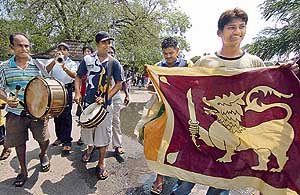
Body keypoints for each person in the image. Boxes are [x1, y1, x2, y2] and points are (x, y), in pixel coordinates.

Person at [171, 7, 299, 195]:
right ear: (219, 32)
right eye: (231, 27)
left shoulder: (254, 63)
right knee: (187, 179)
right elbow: (185, 90)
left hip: (237, 137)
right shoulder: (206, 62)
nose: (237, 32)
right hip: (208, 132)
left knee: (221, 186)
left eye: (241, 27)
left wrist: (286, 75)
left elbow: (271, 90)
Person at [0, 33, 50, 187]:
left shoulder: (38, 65)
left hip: (38, 111)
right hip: (15, 113)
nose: (24, 48)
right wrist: (7, 99)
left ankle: (43, 154)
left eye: (27, 45)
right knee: (19, 143)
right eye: (20, 45)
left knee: (43, 138)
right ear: (12, 47)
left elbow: (48, 84)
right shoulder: (4, 67)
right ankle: (23, 171)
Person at [74, 31, 123, 180]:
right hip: (88, 103)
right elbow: (78, 77)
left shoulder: (114, 62)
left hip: (105, 107)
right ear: (97, 44)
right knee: (88, 133)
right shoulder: (87, 59)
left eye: (109, 43)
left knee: (103, 135)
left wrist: (106, 97)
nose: (108, 45)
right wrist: (77, 93)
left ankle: (101, 163)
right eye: (104, 42)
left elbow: (119, 83)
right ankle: (89, 149)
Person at [148, 37, 193, 195]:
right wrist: (153, 86)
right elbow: (150, 87)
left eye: (171, 53)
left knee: (183, 146)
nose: (168, 57)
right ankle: (159, 178)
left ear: (178, 51)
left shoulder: (187, 66)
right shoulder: (158, 67)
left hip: (183, 113)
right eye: (165, 54)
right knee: (162, 145)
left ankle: (181, 177)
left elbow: (195, 86)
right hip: (163, 113)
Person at [46, 42, 77, 153]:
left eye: (64, 49)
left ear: (68, 52)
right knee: (56, 114)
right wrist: (55, 61)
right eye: (60, 49)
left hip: (67, 89)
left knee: (66, 116)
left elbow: (74, 75)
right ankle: (59, 137)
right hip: (55, 89)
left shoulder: (72, 63)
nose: (62, 51)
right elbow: (47, 70)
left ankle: (67, 141)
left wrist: (64, 67)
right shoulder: (52, 60)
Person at [108, 46, 130, 155]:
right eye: (108, 52)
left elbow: (123, 82)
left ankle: (117, 145)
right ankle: (96, 146)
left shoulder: (118, 67)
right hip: (101, 99)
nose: (110, 54)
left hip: (115, 99)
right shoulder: (98, 65)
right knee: (100, 123)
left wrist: (127, 94)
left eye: (112, 52)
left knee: (115, 121)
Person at [76, 46, 93, 146]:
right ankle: (82, 137)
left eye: (88, 51)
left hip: (91, 95)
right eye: (85, 51)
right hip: (82, 95)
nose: (86, 53)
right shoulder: (81, 66)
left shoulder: (94, 65)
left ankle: (91, 140)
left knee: (90, 117)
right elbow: (77, 78)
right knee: (81, 117)